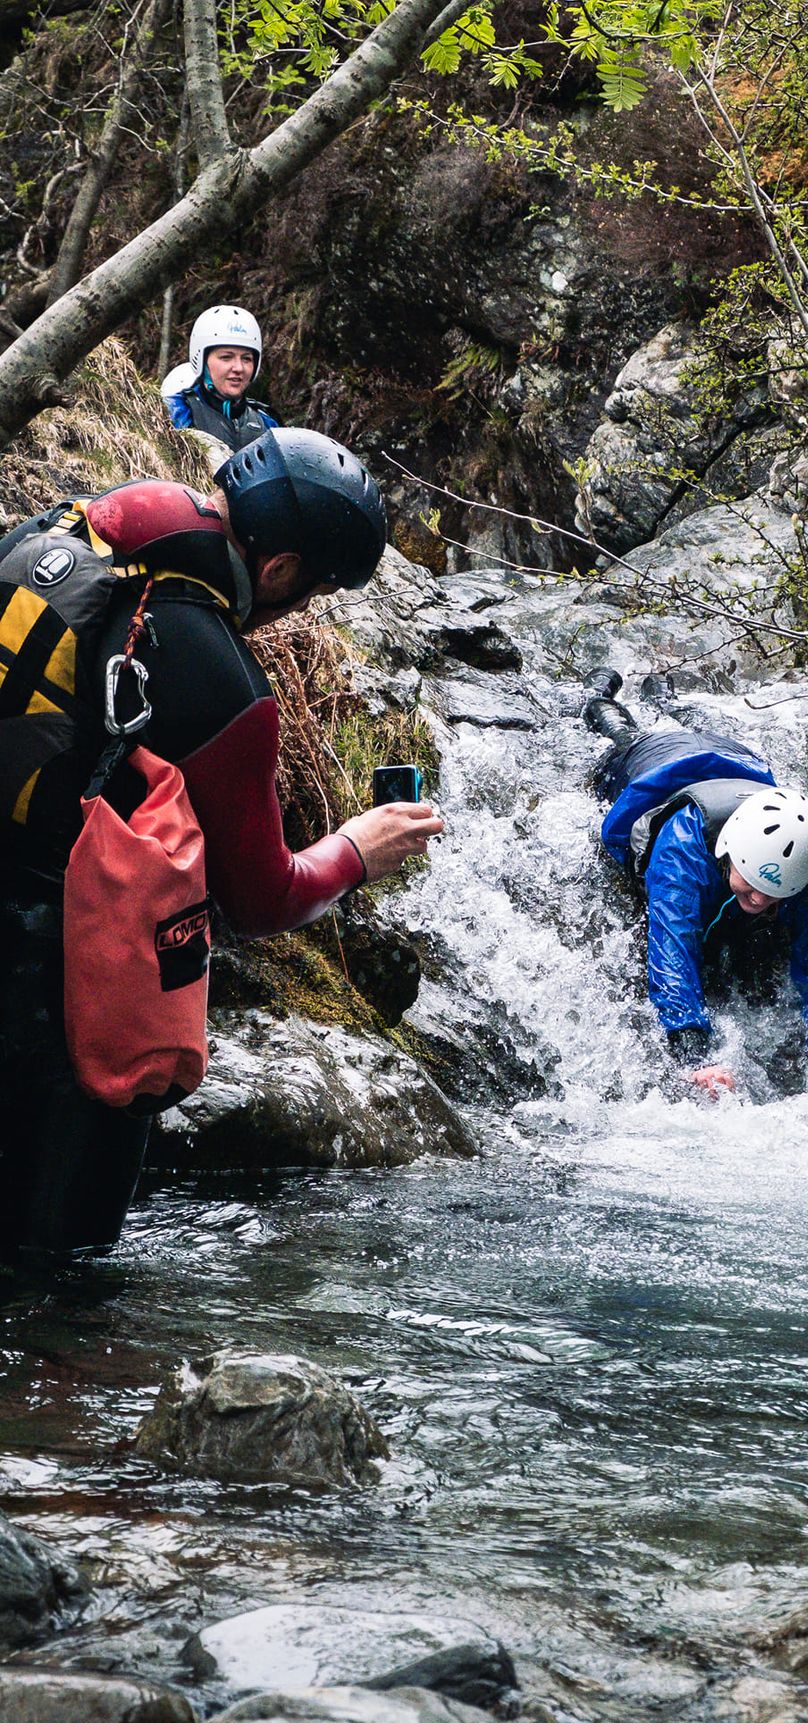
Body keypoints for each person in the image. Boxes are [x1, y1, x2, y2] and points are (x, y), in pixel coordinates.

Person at [0, 428, 441, 1257]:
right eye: (307, 595)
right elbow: (260, 897)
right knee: (57, 1273)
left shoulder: (72, 530)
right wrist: (354, 851)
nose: (292, 615)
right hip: (55, 975)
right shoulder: (215, 668)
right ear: (277, 571)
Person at [583, 671, 808, 1118]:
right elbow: (672, 946)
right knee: (622, 732)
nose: (758, 902)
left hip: (731, 759)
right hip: (646, 765)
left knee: (685, 720)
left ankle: (664, 691)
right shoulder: (685, 844)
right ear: (728, 852)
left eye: (774, 894)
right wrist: (697, 1056)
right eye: (751, 885)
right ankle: (597, 698)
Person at [162, 305, 279, 449]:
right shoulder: (174, 412)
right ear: (202, 361)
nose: (238, 368)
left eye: (246, 359)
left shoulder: (267, 423)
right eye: (226, 357)